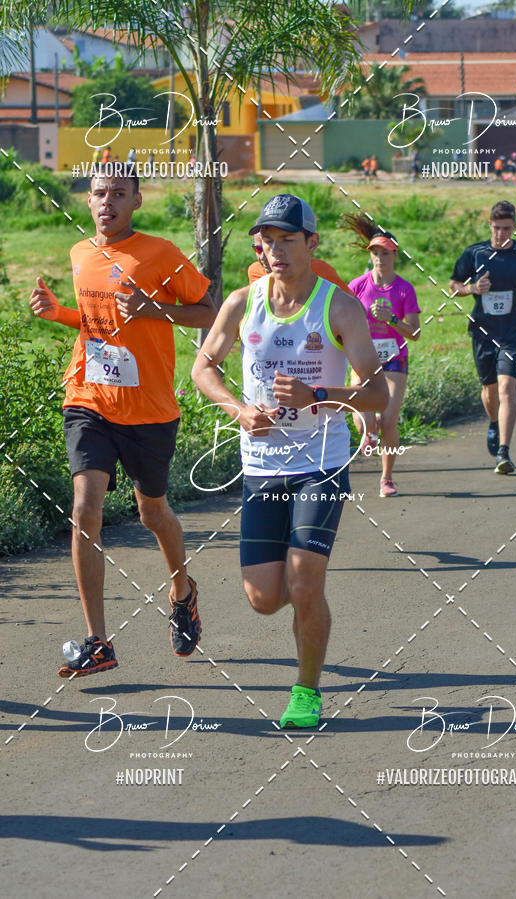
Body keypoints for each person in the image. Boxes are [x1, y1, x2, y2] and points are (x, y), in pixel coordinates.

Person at [192, 194, 388, 728]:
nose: (274, 249)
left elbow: (376, 396)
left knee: (304, 583)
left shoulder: (340, 307)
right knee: (263, 598)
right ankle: (307, 616)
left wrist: (318, 394)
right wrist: (236, 409)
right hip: (260, 465)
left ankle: (306, 693)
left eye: (287, 239)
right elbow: (202, 368)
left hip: (319, 462)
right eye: (267, 240)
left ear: (311, 243)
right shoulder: (240, 302)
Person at [29, 167, 216, 677]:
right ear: (87, 201)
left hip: (150, 411)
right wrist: (60, 313)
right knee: (84, 509)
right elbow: (97, 322)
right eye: (98, 194)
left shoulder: (160, 254)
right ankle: (97, 641)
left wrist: (155, 310)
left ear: (137, 200)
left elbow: (207, 310)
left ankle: (183, 592)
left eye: (117, 193)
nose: (106, 202)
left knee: (153, 514)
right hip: (87, 398)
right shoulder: (80, 253)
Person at [449, 200, 516, 474]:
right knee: (490, 390)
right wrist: (473, 289)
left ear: (514, 226)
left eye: (507, 228)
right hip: (482, 331)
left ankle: (504, 452)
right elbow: (454, 285)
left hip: (514, 331)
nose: (502, 234)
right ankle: (493, 422)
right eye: (498, 228)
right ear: (490, 224)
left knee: (506, 387)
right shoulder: (475, 253)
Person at [344, 214, 421, 498]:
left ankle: (387, 479)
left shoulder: (404, 289)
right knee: (362, 419)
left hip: (394, 358)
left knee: (389, 418)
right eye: (375, 253)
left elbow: (414, 332)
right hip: (363, 356)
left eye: (385, 253)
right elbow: (341, 320)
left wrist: (391, 320)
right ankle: (368, 429)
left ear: (394, 255)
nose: (380, 258)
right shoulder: (356, 286)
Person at [248, 236, 351, 294]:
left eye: (269, 247)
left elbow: (354, 308)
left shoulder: (321, 270)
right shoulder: (254, 272)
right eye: (258, 249)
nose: (262, 256)